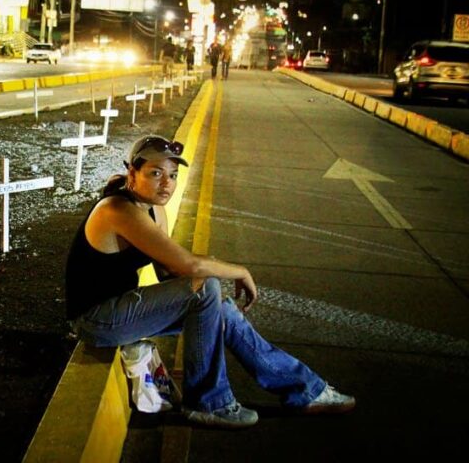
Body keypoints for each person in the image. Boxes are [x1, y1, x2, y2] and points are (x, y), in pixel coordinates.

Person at [65, 135, 355, 428]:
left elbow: (171, 270)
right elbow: (188, 266)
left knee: (220, 306)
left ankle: (306, 390)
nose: (166, 183)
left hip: (122, 312)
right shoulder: (117, 209)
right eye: (155, 173)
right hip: (96, 320)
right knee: (206, 288)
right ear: (132, 173)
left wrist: (207, 274)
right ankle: (209, 403)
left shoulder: (153, 209)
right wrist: (239, 271)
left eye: (173, 175)